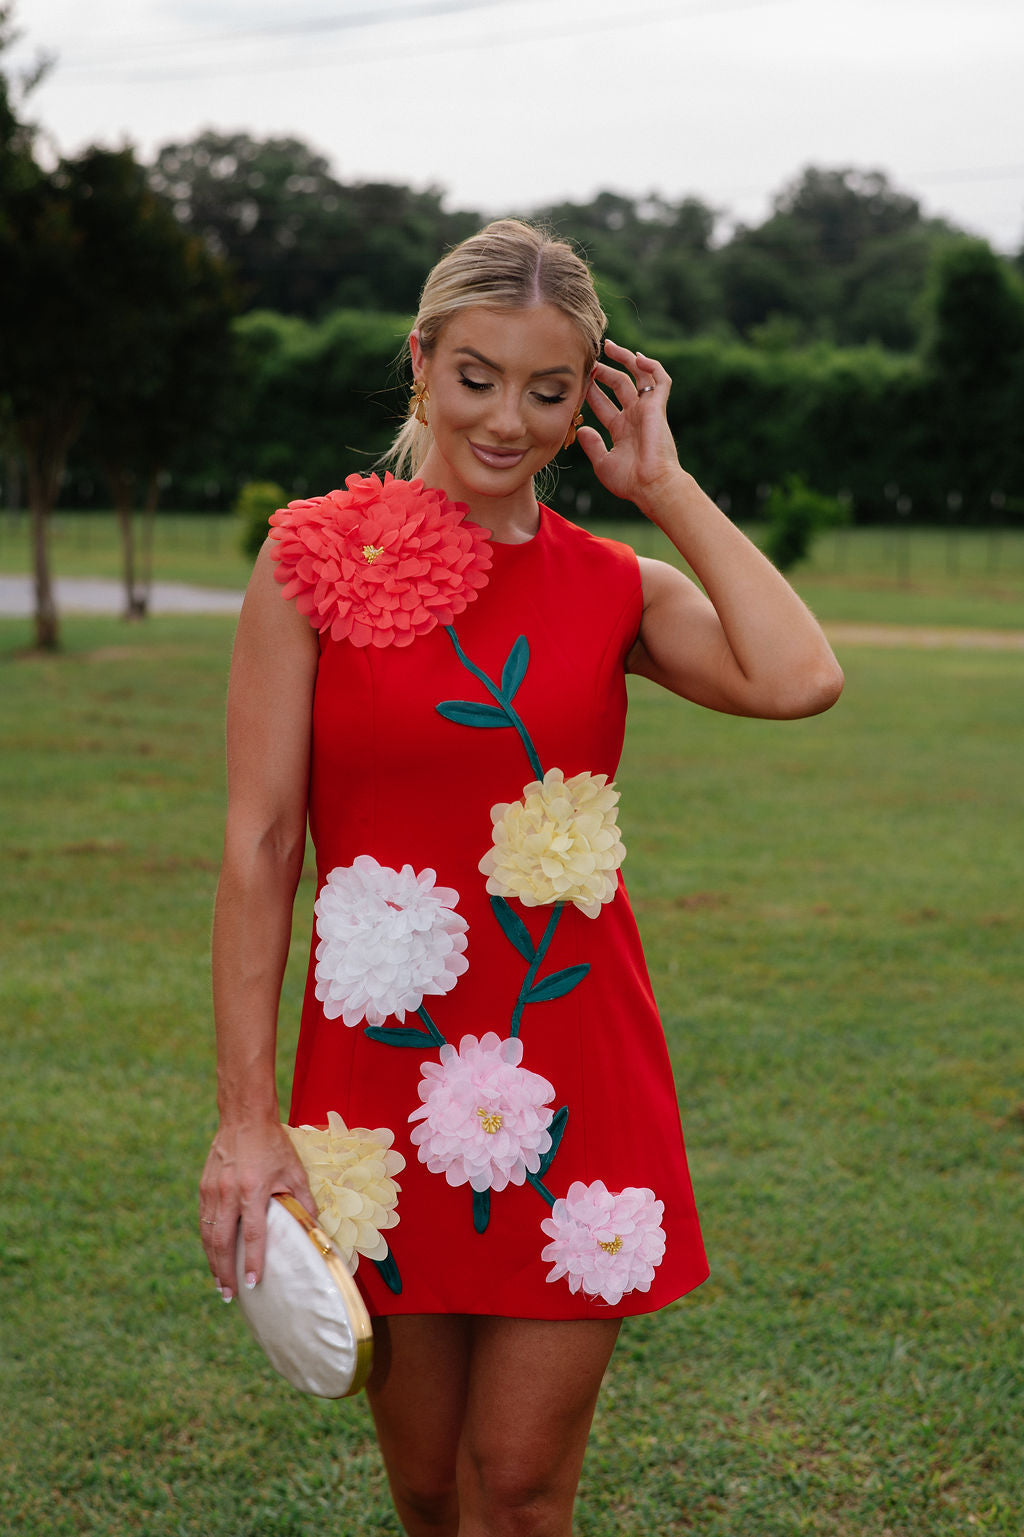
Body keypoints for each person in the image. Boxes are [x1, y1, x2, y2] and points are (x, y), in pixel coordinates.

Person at [199, 218, 843, 1537]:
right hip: (375, 1078)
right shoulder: (312, 561)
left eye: (550, 390)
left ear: (588, 398)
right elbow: (261, 846)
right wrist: (245, 1119)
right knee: (430, 1485)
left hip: (578, 1082)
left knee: (522, 1486)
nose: (507, 417)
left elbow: (799, 677)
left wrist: (665, 489)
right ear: (420, 361)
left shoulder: (614, 587)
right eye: (477, 375)